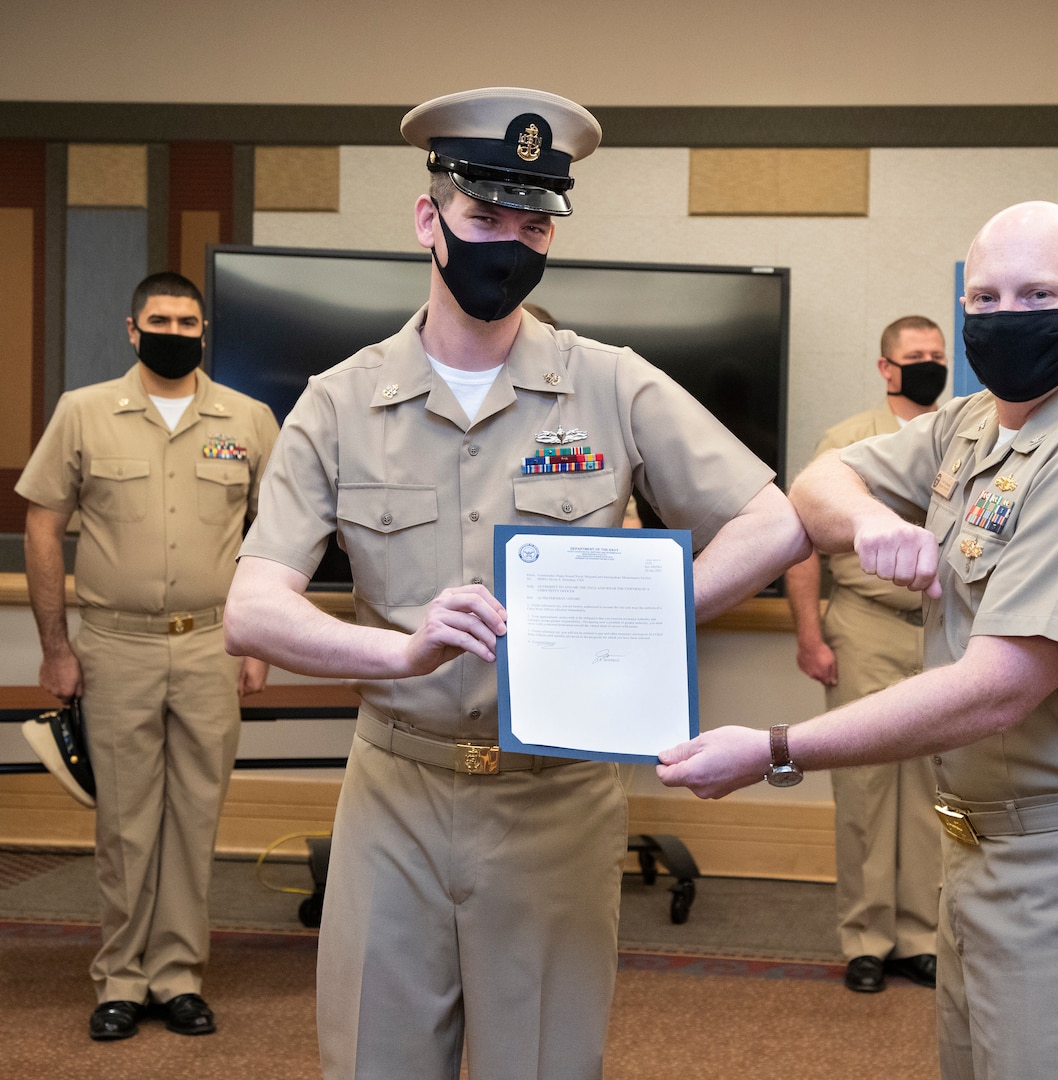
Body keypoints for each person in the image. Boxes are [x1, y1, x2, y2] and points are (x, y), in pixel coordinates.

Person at [223, 87, 809, 1080]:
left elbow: (775, 520)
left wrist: (638, 614)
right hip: (395, 792)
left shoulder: (612, 382)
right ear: (429, 219)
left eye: (531, 224)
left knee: (539, 1063)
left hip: (555, 802)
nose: (508, 244)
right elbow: (251, 606)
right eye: (483, 217)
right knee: (375, 1057)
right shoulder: (337, 400)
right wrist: (395, 650)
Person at [659, 201, 1058, 1080]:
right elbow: (819, 485)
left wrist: (775, 749)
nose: (1006, 317)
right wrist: (873, 522)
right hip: (990, 853)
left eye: (1039, 293)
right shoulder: (975, 423)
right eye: (986, 298)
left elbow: (999, 685)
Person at [16, 271, 279, 1041]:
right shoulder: (84, 413)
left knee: (197, 817)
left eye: (187, 319)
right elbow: (41, 528)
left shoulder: (249, 419)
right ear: (132, 330)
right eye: (159, 319)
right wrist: (55, 648)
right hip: (113, 648)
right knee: (126, 824)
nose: (174, 329)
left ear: (205, 331)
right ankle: (121, 979)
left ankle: (178, 975)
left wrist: (256, 640)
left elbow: (275, 540)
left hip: (210, 646)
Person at [784, 316, 947, 994]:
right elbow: (802, 544)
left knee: (936, 792)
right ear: (885, 367)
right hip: (865, 625)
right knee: (866, 790)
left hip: (942, 632)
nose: (929, 365)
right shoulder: (848, 444)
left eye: (938, 356)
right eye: (915, 357)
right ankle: (867, 939)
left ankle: (922, 936)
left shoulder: (967, 442)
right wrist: (809, 636)